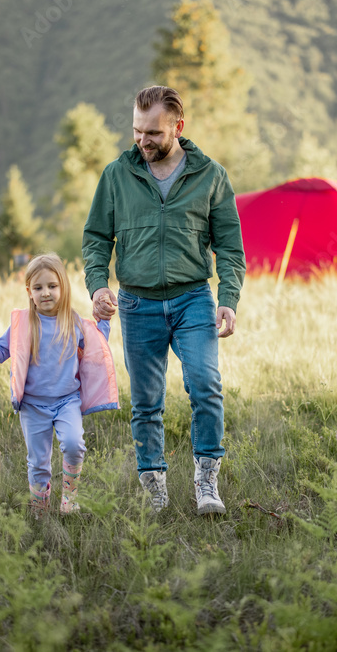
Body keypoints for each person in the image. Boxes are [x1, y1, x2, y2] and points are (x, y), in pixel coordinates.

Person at [82, 85, 246, 515]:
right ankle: (154, 485)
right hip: (137, 305)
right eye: (137, 131)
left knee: (206, 388)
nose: (143, 141)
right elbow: (97, 237)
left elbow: (229, 247)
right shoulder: (117, 174)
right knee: (146, 403)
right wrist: (98, 285)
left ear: (179, 126)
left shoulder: (211, 176)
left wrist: (227, 298)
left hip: (193, 299)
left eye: (153, 132)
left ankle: (206, 481)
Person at [0, 253, 118, 515]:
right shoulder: (23, 323)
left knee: (75, 444)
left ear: (62, 287)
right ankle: (39, 506)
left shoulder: (73, 322)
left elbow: (97, 345)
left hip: (67, 401)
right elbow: (1, 350)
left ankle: (70, 496)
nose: (46, 293)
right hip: (33, 405)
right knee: (39, 462)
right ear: (29, 291)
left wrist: (105, 321)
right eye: (38, 288)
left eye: (52, 286)